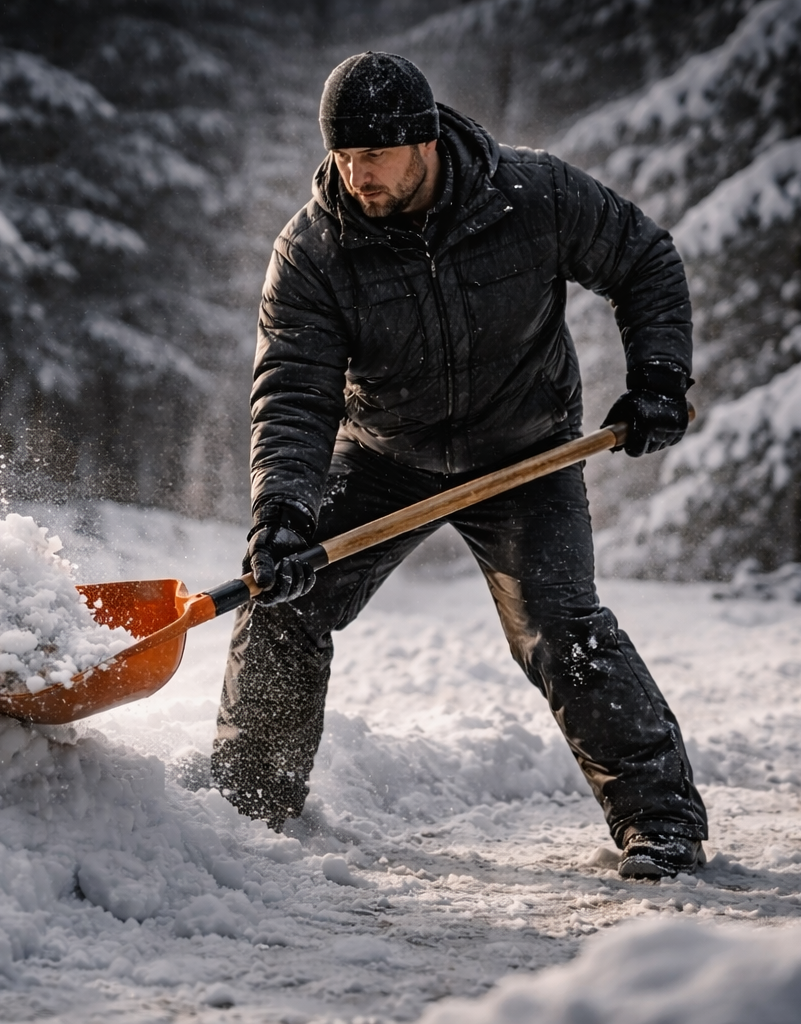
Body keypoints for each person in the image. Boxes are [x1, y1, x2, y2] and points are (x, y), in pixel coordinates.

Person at [211, 52, 708, 880]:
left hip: (529, 452)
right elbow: (294, 391)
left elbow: (643, 260)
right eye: (343, 156)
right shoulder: (313, 249)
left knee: (563, 630)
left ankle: (661, 824)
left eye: (374, 156)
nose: (356, 175)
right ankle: (247, 819)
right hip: (385, 458)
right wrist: (284, 513)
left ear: (425, 141)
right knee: (281, 603)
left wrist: (658, 378)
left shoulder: (535, 196)